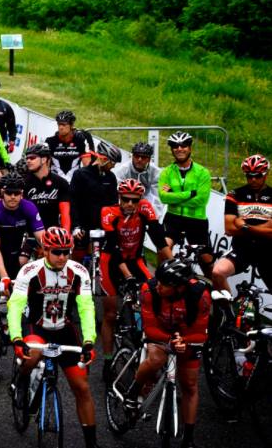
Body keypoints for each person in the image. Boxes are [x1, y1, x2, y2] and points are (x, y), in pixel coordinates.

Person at [8, 227, 101, 448]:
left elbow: (86, 308)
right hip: (37, 327)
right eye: (57, 252)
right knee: (33, 355)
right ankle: (21, 380)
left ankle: (92, 443)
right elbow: (15, 306)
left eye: (67, 252)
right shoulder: (29, 271)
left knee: (82, 387)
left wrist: (89, 341)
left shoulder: (79, 271)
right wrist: (17, 338)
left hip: (64, 329)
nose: (62, 257)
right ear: (45, 250)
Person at [127, 258, 210, 448]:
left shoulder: (200, 295)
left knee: (189, 385)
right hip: (159, 331)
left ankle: (188, 439)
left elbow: (201, 332)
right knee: (156, 359)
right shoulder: (149, 290)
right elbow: (150, 330)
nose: (158, 287)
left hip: (187, 335)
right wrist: (171, 341)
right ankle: (133, 392)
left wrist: (185, 342)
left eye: (164, 284)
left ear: (179, 287)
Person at [99, 178, 171, 378]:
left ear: (140, 199)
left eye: (134, 200)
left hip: (135, 259)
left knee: (153, 291)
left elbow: (159, 239)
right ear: (119, 198)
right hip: (111, 262)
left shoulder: (145, 209)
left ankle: (148, 343)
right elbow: (113, 247)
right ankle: (107, 359)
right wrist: (128, 276)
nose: (130, 204)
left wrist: (174, 264)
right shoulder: (108, 213)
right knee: (111, 314)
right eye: (126, 199)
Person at [0, 171, 45, 381]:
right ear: (1, 193)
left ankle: (24, 343)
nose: (13, 197)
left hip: (15, 260)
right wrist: (4, 277)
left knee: (22, 307)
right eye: (9, 193)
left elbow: (42, 239)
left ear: (22, 193)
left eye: (17, 193)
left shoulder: (28, 207)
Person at [211, 154, 272, 294]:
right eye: (249, 176)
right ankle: (229, 313)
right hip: (242, 249)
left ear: (266, 174)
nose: (253, 180)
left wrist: (244, 226)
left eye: (258, 176)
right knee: (217, 273)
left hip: (268, 251)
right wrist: (264, 228)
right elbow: (230, 228)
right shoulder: (235, 194)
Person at [158, 131, 213, 275]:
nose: (179, 148)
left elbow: (201, 200)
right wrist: (189, 194)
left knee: (206, 261)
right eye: (175, 146)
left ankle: (217, 292)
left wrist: (173, 195)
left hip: (196, 221)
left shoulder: (203, 172)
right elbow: (164, 198)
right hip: (173, 218)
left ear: (190, 148)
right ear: (172, 149)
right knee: (163, 249)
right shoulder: (167, 172)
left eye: (184, 145)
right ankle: (159, 283)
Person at [22, 142, 72, 230]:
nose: (28, 161)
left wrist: (66, 233)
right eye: (27, 158)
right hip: (29, 235)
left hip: (52, 233)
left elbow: (65, 214)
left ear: (44, 159)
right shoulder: (23, 183)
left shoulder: (60, 182)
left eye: (32, 158)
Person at [116, 141, 163, 215]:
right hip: (126, 203)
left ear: (149, 159)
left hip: (147, 203)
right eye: (137, 156)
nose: (139, 159)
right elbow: (117, 194)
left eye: (143, 157)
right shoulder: (122, 170)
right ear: (132, 156)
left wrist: (152, 217)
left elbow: (157, 198)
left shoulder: (156, 172)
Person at [45, 110, 92, 182]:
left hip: (74, 182)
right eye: (59, 124)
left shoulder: (80, 140)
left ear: (71, 125)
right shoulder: (50, 141)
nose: (61, 127)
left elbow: (87, 165)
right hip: (55, 182)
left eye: (64, 124)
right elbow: (45, 166)